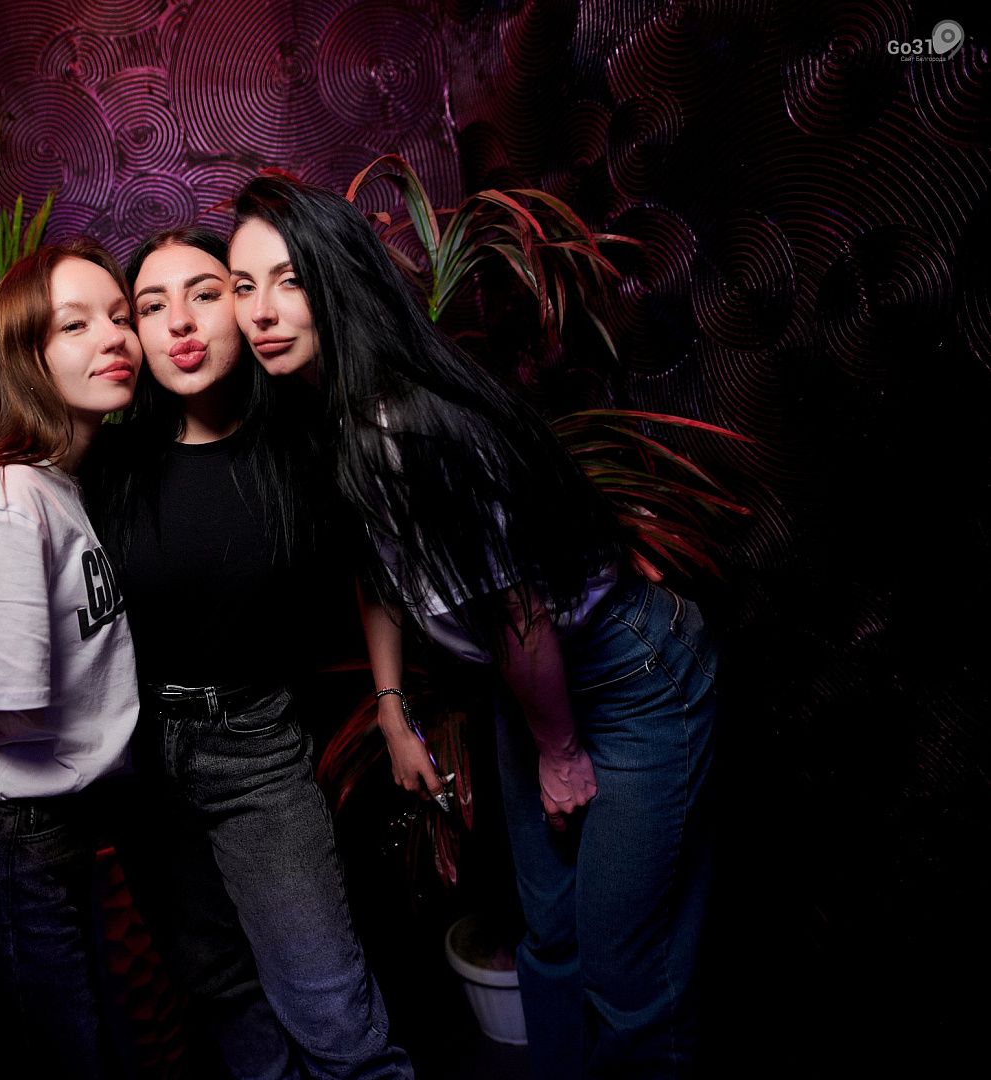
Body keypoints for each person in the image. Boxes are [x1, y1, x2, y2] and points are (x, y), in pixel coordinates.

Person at [228, 177, 718, 1079]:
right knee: (551, 939)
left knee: (626, 973)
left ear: (338, 279)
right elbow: (378, 564)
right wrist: (389, 706)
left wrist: (560, 751)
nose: (259, 311)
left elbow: (516, 608)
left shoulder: (405, 425)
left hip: (618, 677)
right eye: (242, 285)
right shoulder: (334, 412)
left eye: (288, 280)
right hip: (527, 683)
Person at [82, 227, 414, 1080]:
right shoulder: (100, 466)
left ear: (243, 306)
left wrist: (390, 704)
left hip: (256, 750)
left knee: (331, 1009)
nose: (180, 324)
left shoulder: (310, 443)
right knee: (222, 993)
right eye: (151, 306)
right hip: (138, 760)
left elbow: (379, 570)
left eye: (205, 293)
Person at [0, 240, 143, 1078]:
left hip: (69, 834)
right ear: (26, 356)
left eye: (120, 316)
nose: (114, 337)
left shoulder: (61, 487)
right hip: (23, 844)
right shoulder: (8, 502)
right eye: (75, 325)